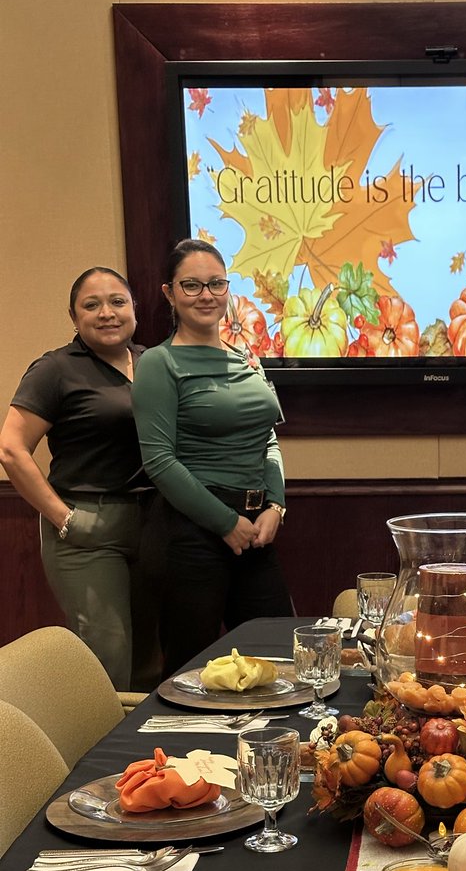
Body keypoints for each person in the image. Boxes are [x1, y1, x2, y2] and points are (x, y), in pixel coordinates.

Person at [131, 238, 293, 676]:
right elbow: (159, 461)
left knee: (279, 659)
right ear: (169, 293)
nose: (206, 295)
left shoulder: (247, 357)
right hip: (190, 534)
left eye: (216, 284)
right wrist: (226, 523)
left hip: (257, 529)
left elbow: (268, 441)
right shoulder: (158, 364)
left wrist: (276, 505)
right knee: (191, 673)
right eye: (192, 285)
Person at [0, 267, 156, 690]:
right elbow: (11, 448)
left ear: (134, 310)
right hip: (88, 527)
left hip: (155, 526)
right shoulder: (56, 369)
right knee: (109, 661)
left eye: (117, 302)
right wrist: (64, 518)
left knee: (151, 662)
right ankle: (100, 757)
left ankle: (148, 758)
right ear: (73, 317)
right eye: (92, 305)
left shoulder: (153, 361)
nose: (107, 313)